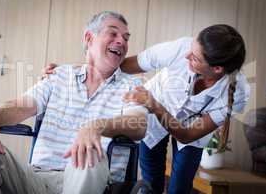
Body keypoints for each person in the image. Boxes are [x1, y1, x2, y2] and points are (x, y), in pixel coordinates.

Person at [44, 24, 250, 194]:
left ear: (217, 69)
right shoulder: (180, 49)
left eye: (195, 58)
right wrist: (67, 70)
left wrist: (152, 104)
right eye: (191, 49)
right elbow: (121, 65)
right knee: (151, 184)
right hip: (154, 113)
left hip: (168, 115)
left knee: (180, 188)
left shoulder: (237, 92)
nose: (187, 56)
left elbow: (187, 135)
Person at [0, 11, 148, 194]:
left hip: (90, 180)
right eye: (113, 33)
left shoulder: (132, 85)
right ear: (89, 38)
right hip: (37, 178)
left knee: (89, 152)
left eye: (126, 38)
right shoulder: (59, 75)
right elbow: (21, 105)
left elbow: (139, 124)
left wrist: (96, 126)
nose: (122, 42)